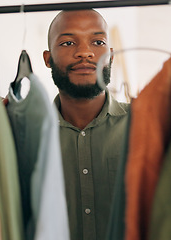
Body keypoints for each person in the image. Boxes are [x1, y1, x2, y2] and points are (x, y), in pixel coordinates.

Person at [42, 9, 130, 240]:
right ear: (48, 58)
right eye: (68, 42)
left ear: (110, 55)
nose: (84, 52)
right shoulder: (23, 134)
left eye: (97, 41)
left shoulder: (143, 126)